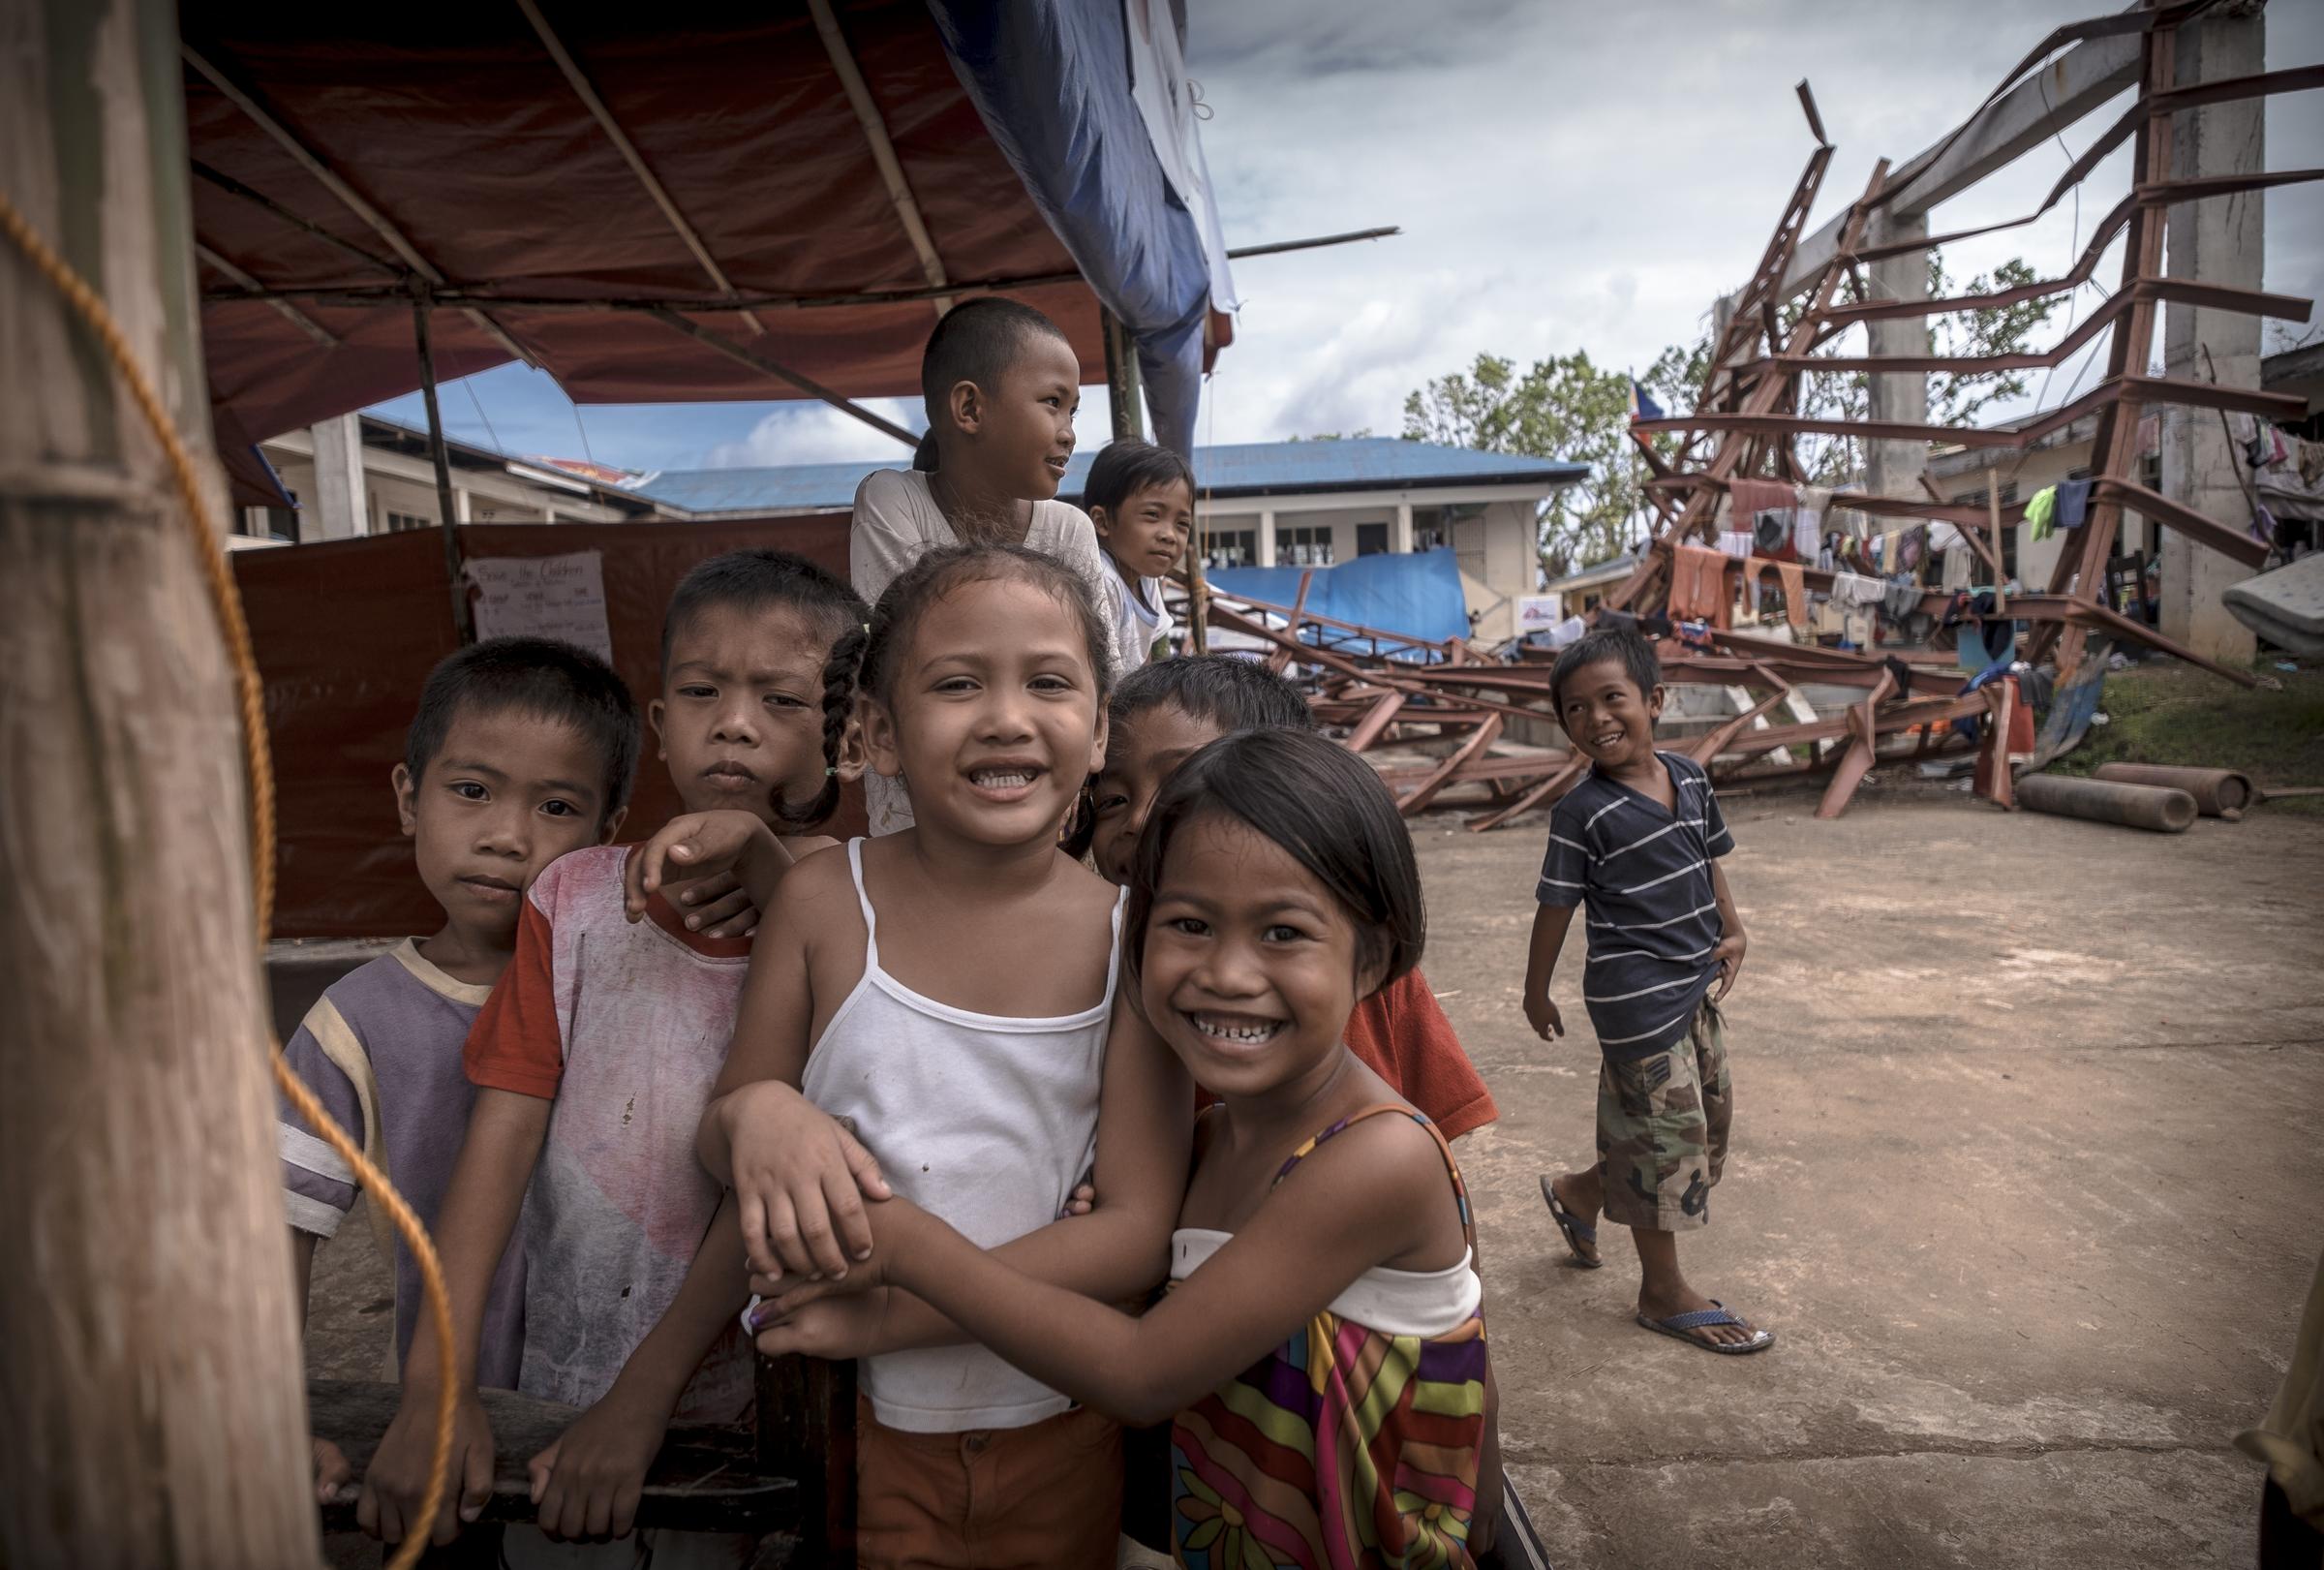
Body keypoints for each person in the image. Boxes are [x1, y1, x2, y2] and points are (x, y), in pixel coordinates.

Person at [751, 729, 1491, 1568]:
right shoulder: (1210, 1141)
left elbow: (1143, 1374)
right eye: (1189, 924)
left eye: (1283, 932)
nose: (1227, 973)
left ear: (1374, 958)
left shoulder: (1376, 1157)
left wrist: (902, 1250)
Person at [358, 550, 869, 1563]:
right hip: (563, 1379)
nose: (735, 722)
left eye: (781, 698)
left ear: (851, 738)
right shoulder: (574, 898)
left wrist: (644, 1400)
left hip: (749, 1411)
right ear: (661, 724)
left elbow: (774, 1179)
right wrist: (438, 1385)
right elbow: (504, 1135)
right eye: (703, 691)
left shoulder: (860, 913)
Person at [700, 543, 1190, 1569]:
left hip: (1066, 1423)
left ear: (1099, 729)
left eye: (1048, 682)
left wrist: (889, 1315)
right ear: (877, 733)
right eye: (959, 684)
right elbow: (722, 1144)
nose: (1007, 717)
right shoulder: (823, 905)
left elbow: (1136, 1234)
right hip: (853, 1431)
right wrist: (756, 1112)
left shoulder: (1134, 940)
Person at [1084, 654, 1510, 1558]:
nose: (1144, 819)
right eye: (1113, 797)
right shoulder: (1161, 1045)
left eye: (1181, 784)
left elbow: (1446, 1258)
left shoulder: (1365, 1072)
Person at [280, 637, 638, 1508]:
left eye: (557, 806)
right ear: (410, 798)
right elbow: (273, 1230)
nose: (508, 837)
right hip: (441, 1414)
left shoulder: (642, 993)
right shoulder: (356, 1022)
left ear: (606, 835)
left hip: (628, 1414)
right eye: (472, 790)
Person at [1523, 626, 1772, 1354]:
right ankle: (1662, 1292)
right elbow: (1555, 905)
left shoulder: (1689, 777)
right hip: (1635, 1001)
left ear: (1654, 701)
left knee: (1697, 1126)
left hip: (1695, 981)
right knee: (1667, 1143)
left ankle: (1580, 1192)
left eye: (1612, 699)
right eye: (1575, 709)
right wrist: (1536, 990)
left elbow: (1708, 858)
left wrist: (1734, 927)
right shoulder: (1581, 813)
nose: (1596, 719)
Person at [848, 295, 1125, 834]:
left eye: (1073, 412)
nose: (1069, 431)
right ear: (970, 409)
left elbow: (1103, 677)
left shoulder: (1070, 529)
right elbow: (905, 658)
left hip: (1045, 818)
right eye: (1052, 402)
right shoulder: (892, 500)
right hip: (919, 823)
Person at [1083, 439, 1191, 676]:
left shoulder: (1145, 578)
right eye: (1152, 515)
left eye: (1182, 524)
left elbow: (1144, 668)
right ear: (1102, 522)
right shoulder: (1102, 582)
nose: (1169, 535)